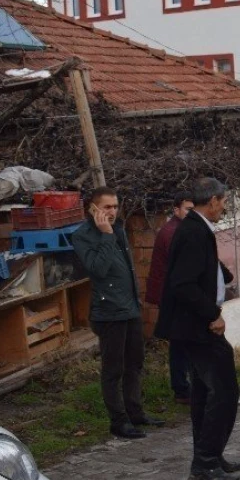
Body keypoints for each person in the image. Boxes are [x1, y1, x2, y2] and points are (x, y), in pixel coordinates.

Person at [155, 178, 240, 480]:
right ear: (214, 200)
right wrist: (213, 314)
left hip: (193, 327)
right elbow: (183, 284)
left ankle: (209, 457)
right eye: (223, 201)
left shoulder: (196, 227)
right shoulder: (193, 231)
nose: (224, 206)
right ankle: (205, 463)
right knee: (225, 391)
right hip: (197, 326)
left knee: (205, 392)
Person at [73, 186, 164, 440]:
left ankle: (135, 413)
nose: (112, 212)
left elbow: (129, 270)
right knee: (113, 369)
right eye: (106, 207)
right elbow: (97, 269)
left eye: (115, 206)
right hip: (108, 311)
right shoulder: (83, 236)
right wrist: (105, 235)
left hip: (130, 307)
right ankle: (118, 421)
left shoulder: (119, 229)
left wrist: (137, 302)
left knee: (135, 362)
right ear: (93, 209)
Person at [145, 193, 194, 405]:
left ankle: (183, 388)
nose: (192, 214)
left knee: (181, 344)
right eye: (188, 209)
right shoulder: (174, 232)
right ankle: (182, 390)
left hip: (172, 294)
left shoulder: (178, 229)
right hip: (173, 297)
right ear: (176, 210)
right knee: (181, 345)